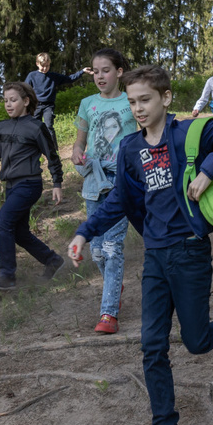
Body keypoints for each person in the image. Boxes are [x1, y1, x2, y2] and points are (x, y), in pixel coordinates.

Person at [67, 65, 213, 425]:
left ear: (165, 99)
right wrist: (84, 231)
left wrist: (207, 172)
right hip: (155, 258)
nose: (138, 108)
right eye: (132, 101)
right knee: (152, 347)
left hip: (189, 252)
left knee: (196, 340)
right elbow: (120, 199)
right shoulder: (130, 148)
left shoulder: (186, 133)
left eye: (145, 100)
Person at [0, 81, 65, 290]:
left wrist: (57, 183)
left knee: (2, 223)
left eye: (13, 100)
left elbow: (52, 156)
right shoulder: (1, 127)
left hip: (29, 184)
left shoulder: (36, 127)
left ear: (26, 101)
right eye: (5, 100)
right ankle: (53, 261)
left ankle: (7, 277)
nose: (8, 104)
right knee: (20, 233)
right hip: (11, 186)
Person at [71, 49, 137, 334]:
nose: (100, 75)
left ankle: (109, 314)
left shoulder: (130, 100)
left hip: (122, 180)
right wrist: (76, 153)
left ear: (119, 72)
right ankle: (115, 282)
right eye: (96, 71)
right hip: (94, 181)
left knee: (111, 248)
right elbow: (80, 141)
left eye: (106, 70)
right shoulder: (87, 104)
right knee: (97, 251)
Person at [23, 53, 91, 133]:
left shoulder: (53, 76)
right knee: (35, 127)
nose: (45, 68)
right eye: (43, 66)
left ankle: (53, 146)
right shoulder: (32, 76)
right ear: (37, 64)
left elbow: (69, 78)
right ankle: (38, 145)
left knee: (49, 126)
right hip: (36, 106)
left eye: (47, 66)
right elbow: (25, 89)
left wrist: (82, 71)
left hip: (48, 106)